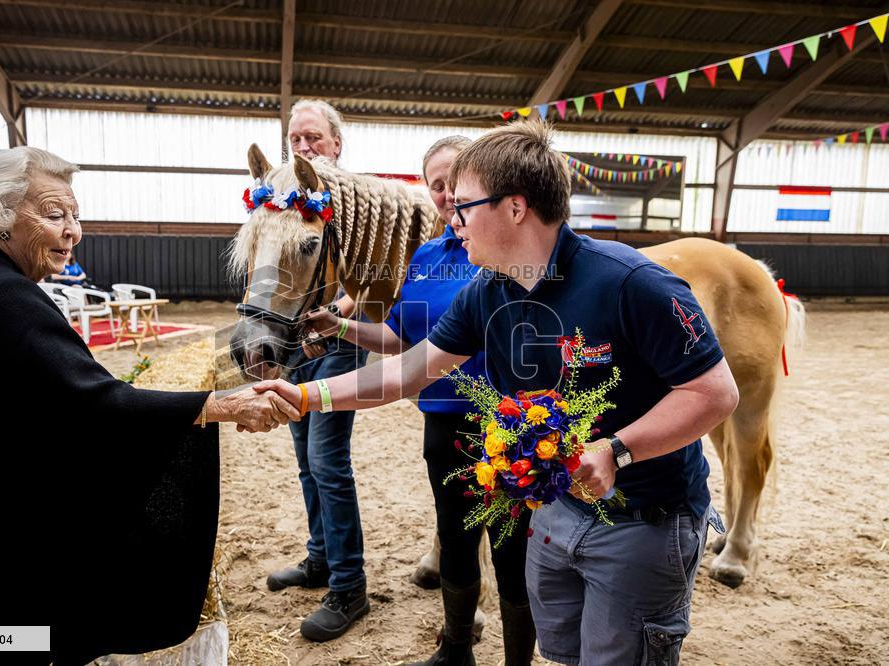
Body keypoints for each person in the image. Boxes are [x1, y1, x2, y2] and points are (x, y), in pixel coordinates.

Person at [255, 121, 739, 665]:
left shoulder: (632, 282)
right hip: (556, 512)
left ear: (514, 208)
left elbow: (715, 392)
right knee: (567, 653)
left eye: (462, 205)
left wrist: (617, 449)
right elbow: (410, 370)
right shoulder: (488, 289)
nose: (451, 218)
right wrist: (304, 397)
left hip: (642, 519)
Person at [0, 147, 299, 665]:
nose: (73, 232)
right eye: (54, 214)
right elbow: (91, 405)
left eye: (75, 215)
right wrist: (220, 404)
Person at [302, 136, 535, 664]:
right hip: (446, 418)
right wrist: (340, 326)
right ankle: (456, 647)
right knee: (454, 535)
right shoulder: (427, 256)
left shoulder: (507, 252)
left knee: (510, 547)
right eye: (437, 185)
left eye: (458, 181)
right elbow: (405, 341)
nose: (449, 193)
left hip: (514, 423)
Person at [262, 98, 373, 643]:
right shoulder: (284, 199)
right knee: (306, 458)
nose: (303, 147)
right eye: (296, 139)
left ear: (336, 143)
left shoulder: (352, 201)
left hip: (340, 339)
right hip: (294, 341)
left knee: (328, 459)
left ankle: (351, 585)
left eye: (313, 138)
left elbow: (369, 275)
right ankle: (321, 560)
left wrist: (335, 318)